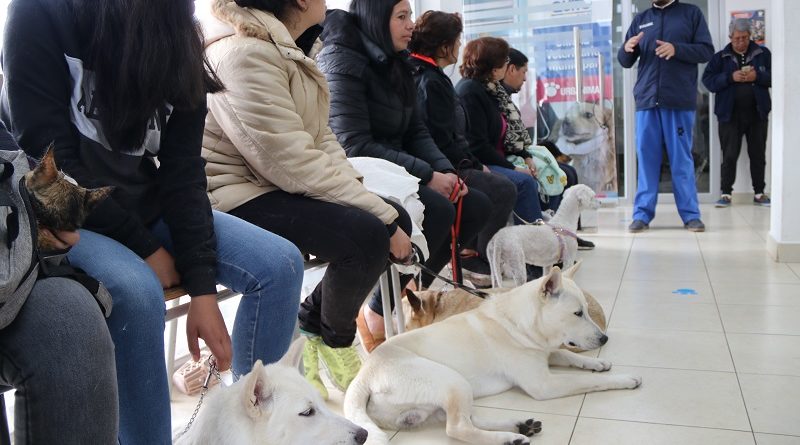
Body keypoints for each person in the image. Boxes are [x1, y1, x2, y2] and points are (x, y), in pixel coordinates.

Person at [0, 0, 305, 443]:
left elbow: (183, 172)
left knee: (280, 264)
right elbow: (47, 168)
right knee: (139, 293)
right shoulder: (39, 14)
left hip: (144, 207)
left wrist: (201, 286)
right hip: (64, 213)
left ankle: (250, 427)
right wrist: (147, 249)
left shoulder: (176, 27)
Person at [199, 0, 413, 397]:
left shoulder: (286, 48)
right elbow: (288, 161)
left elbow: (322, 142)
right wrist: (378, 217)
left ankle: (315, 324)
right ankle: (331, 341)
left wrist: (373, 203)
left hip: (271, 183)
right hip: (233, 194)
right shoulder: (242, 53)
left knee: (394, 215)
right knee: (368, 232)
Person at [317, 0, 491, 351]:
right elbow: (353, 144)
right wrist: (427, 176)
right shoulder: (342, 59)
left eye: (410, 15)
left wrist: (443, 170)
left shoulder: (398, 62)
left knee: (473, 205)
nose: (411, 24)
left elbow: (417, 131)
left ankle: (404, 294)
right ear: (376, 18)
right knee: (437, 209)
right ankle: (378, 312)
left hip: (398, 168)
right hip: (358, 171)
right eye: (401, 16)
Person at [407, 10, 516, 287]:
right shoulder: (431, 80)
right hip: (440, 165)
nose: (460, 46)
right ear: (446, 45)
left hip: (443, 160)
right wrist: (472, 165)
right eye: (457, 40)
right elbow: (441, 139)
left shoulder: (428, 74)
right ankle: (472, 255)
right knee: (502, 188)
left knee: (502, 185)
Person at [618, 0, 713, 233]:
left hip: (678, 101)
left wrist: (677, 49)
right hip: (647, 101)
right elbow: (625, 61)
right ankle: (642, 215)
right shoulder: (641, 19)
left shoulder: (691, 14)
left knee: (681, 160)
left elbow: (706, 51)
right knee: (647, 159)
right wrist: (626, 49)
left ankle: (691, 215)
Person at [501, 48, 595, 250]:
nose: (526, 79)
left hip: (516, 153)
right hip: (503, 157)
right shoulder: (495, 96)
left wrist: (526, 155)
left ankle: (567, 233)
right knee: (549, 173)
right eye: (524, 72)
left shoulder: (505, 96)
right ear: (510, 69)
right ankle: (549, 237)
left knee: (567, 172)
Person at [456, 37, 546, 226]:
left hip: (498, 157)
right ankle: (534, 243)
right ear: (493, 67)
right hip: (480, 162)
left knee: (546, 172)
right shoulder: (471, 92)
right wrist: (514, 168)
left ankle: (549, 233)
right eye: (505, 61)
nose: (507, 65)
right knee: (525, 182)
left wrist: (525, 157)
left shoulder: (493, 90)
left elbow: (508, 133)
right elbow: (478, 146)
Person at [702, 18, 772, 208]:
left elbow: (775, 77)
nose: (740, 42)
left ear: (750, 37)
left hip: (757, 114)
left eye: (744, 38)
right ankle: (726, 194)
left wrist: (757, 76)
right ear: (730, 37)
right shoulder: (720, 57)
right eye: (737, 38)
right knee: (730, 154)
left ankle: (759, 193)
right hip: (729, 115)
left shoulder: (763, 54)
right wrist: (729, 77)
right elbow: (707, 81)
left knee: (758, 155)